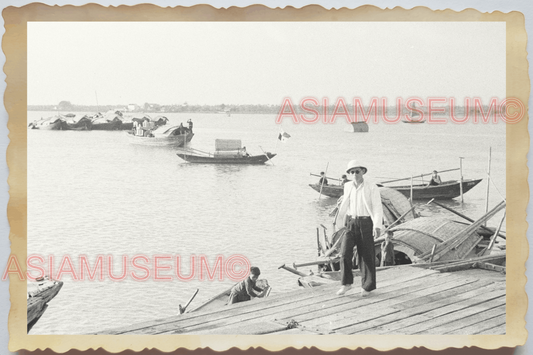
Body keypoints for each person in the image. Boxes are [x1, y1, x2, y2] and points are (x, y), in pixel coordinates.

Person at [334, 159, 383, 297]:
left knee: (366, 255)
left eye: (357, 171)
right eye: (352, 172)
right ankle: (346, 283)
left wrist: (377, 226)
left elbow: (377, 207)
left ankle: (367, 286)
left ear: (363, 172)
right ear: (349, 174)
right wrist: (340, 222)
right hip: (351, 222)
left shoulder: (371, 187)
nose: (355, 174)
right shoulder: (348, 186)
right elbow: (345, 203)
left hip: (366, 222)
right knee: (344, 253)